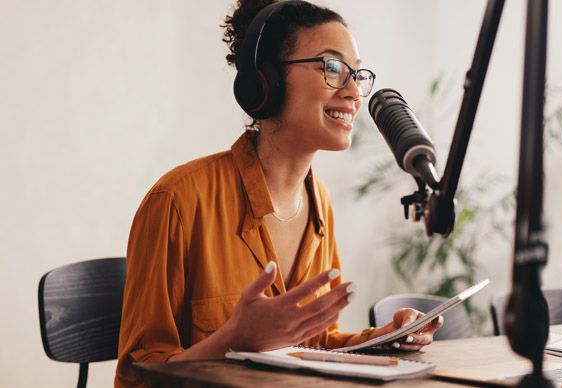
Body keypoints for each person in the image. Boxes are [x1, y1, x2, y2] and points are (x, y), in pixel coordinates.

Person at [115, 1, 442, 386]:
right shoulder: (179, 201)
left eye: (356, 73)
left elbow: (315, 345)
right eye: (333, 68)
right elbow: (136, 378)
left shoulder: (319, 203)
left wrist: (385, 338)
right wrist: (233, 340)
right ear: (265, 82)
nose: (355, 92)